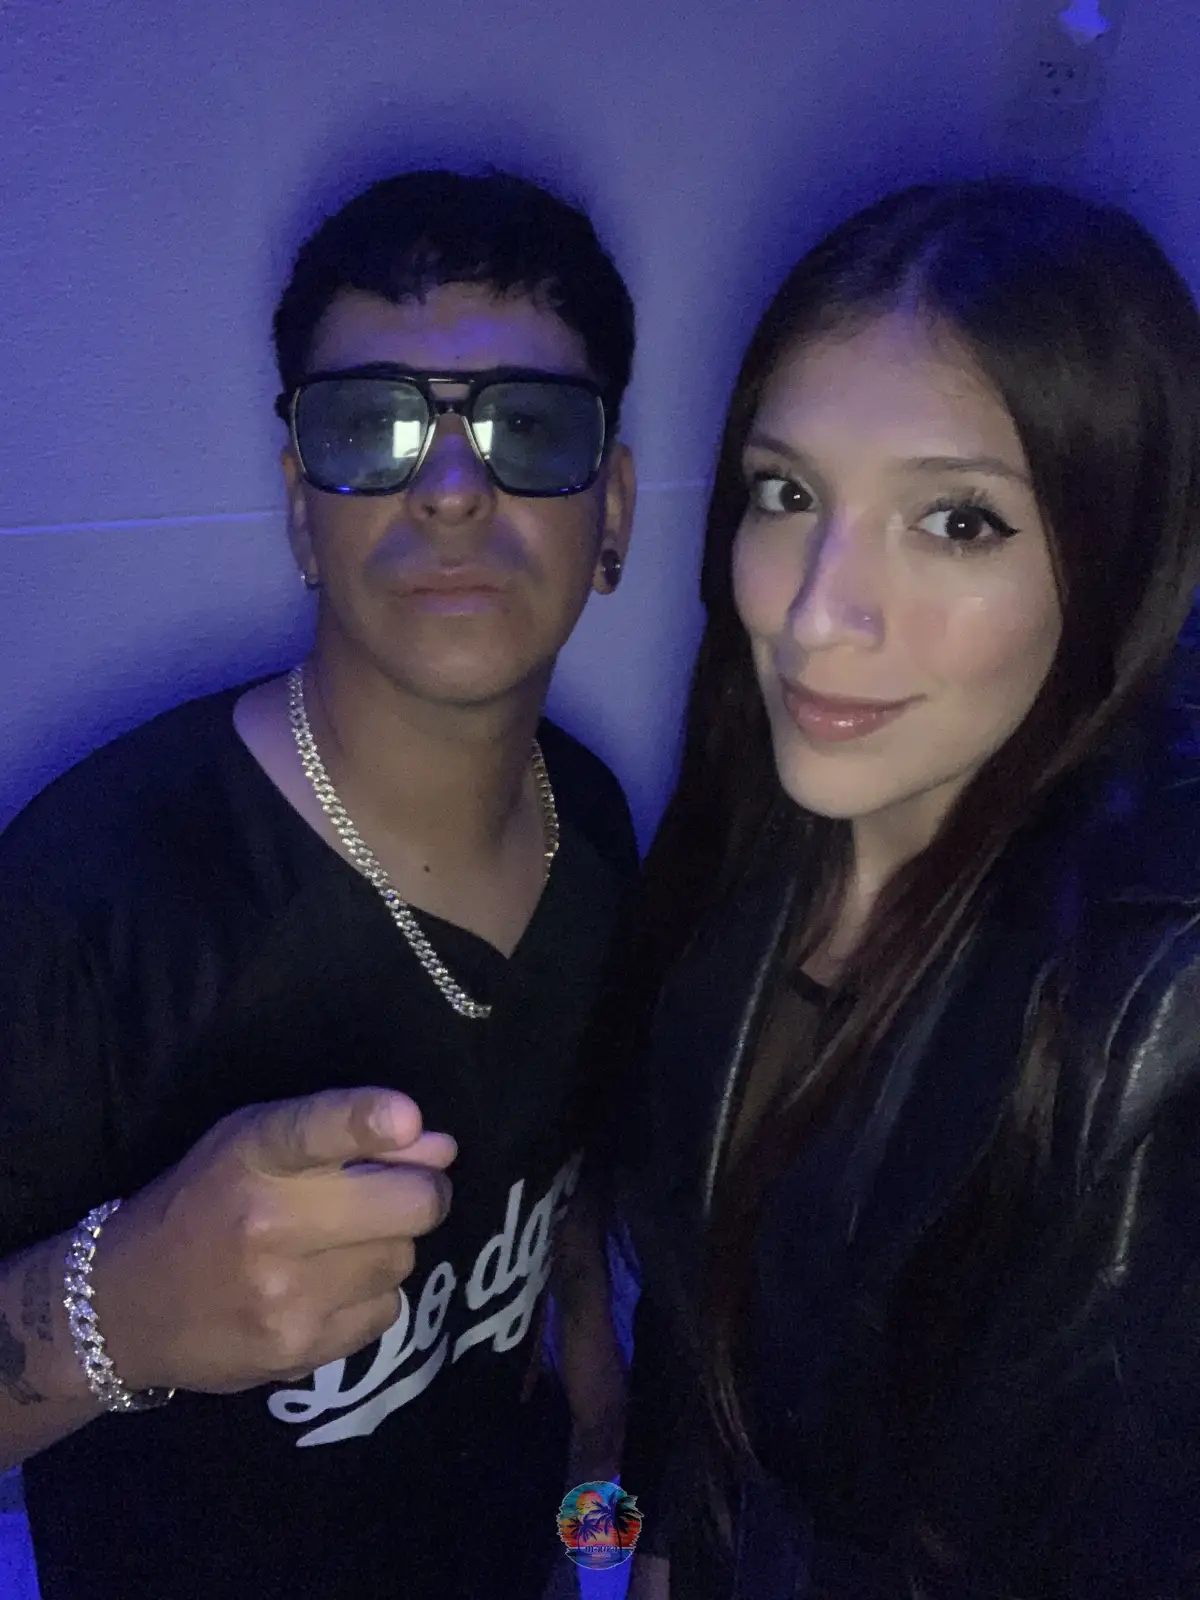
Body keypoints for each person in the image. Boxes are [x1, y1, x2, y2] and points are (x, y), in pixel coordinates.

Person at [0, 167, 637, 1599]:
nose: (454, 489)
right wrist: (122, 1310)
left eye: (531, 429)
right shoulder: (85, 903)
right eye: (372, 429)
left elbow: (566, 1163)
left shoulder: (594, 819)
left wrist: (597, 1396)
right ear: (302, 510)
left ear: (615, 511)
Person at [617, 179, 1200, 1598]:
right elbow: (702, 1334)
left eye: (957, 522)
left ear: (1119, 554)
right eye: (787, 493)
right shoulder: (763, 814)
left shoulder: (1155, 1011)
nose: (815, 614)